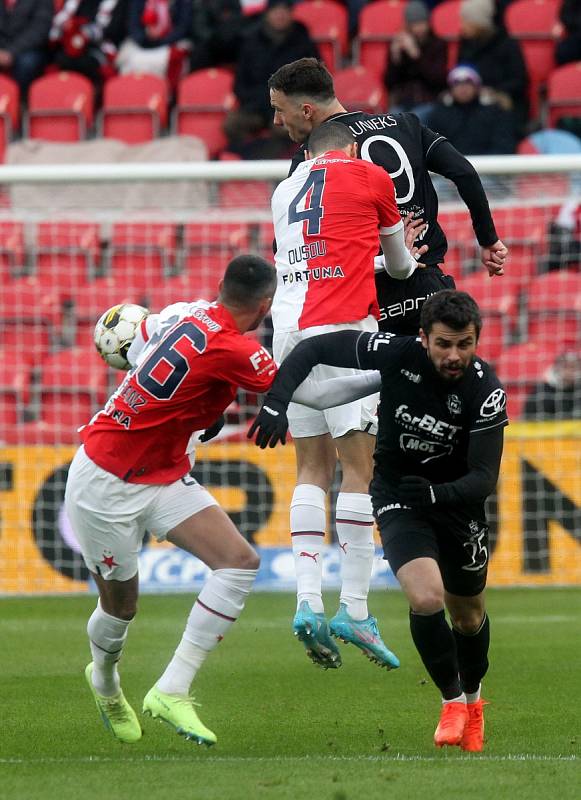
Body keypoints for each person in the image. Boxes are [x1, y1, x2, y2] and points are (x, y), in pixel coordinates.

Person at [65, 254, 384, 745]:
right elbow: (318, 398)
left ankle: (171, 689)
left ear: (219, 286)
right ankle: (105, 682)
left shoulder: (185, 312)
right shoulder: (236, 349)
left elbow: (141, 342)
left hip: (161, 472)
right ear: (265, 305)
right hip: (106, 483)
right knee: (121, 608)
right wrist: (394, 372)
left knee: (238, 561)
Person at [249, 289, 508, 752]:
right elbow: (314, 349)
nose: (454, 355)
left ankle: (474, 700)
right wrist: (277, 400)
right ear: (424, 338)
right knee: (426, 597)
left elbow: (484, 479)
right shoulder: (394, 352)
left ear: (476, 341)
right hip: (397, 496)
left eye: (464, 345)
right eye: (444, 344)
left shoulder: (486, 392)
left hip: (456, 505)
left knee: (468, 616)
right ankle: (451, 703)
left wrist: (436, 493)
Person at [271, 120, 427, 671]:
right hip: (342, 328)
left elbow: (307, 259)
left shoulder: (285, 188)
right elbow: (403, 266)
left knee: (310, 469)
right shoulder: (372, 174)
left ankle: (306, 600)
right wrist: (397, 254)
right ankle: (355, 609)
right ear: (353, 148)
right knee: (359, 470)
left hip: (287, 330)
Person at [267, 57, 508, 337]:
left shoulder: (311, 158)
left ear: (306, 110)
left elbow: (292, 239)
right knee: (444, 374)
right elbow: (464, 172)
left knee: (383, 379)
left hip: (367, 298)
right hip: (426, 284)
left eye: (279, 110)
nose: (277, 120)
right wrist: (488, 239)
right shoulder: (404, 124)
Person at [224, 0, 318, 159]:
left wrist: (289, 103)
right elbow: (240, 84)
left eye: (284, 11)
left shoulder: (302, 41)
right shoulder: (251, 42)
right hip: (256, 104)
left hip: (291, 105)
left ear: (291, 14)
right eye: (276, 11)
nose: (280, 15)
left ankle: (271, 162)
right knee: (232, 124)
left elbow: (314, 78)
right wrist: (261, 101)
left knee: (284, 128)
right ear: (267, 14)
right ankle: (246, 158)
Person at [457, 0, 528, 133]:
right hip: (469, 98)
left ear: (479, 23)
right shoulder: (466, 44)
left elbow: (519, 81)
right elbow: (460, 71)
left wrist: (494, 92)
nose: (462, 26)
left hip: (501, 100)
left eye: (466, 21)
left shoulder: (507, 45)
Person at [426, 65, 517, 155]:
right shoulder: (439, 114)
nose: (463, 87)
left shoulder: (495, 113)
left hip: (488, 166)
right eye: (457, 83)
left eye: (468, 82)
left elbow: (503, 145)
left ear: (477, 86)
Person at [386, 0, 448, 124]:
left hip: (429, 100)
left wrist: (416, 55)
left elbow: (437, 79)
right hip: (403, 102)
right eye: (415, 24)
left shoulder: (438, 44)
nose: (419, 28)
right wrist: (395, 57)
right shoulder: (401, 45)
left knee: (414, 121)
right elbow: (390, 83)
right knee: (392, 121)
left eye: (422, 23)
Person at [49, 0, 129, 89]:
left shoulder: (118, 3)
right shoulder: (75, 3)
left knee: (87, 64)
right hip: (71, 46)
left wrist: (87, 33)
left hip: (101, 49)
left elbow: (115, 30)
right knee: (61, 60)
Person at [0, 0, 53, 98]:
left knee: (26, 63)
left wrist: (11, 52)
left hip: (28, 48)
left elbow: (39, 30)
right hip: (2, 48)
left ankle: (20, 103)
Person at [523, 349, 581, 420]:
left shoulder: (578, 391)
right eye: (565, 367)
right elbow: (529, 418)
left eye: (573, 367)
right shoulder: (541, 392)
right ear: (556, 368)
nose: (570, 371)